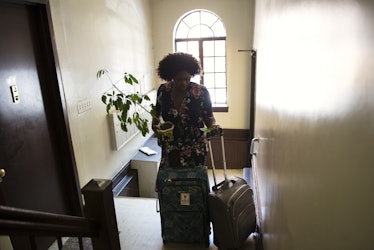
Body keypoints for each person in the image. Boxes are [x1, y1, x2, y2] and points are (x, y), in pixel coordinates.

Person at [152, 52, 220, 168]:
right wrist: (155, 127)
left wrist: (212, 127)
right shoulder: (163, 90)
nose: (183, 83)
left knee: (193, 183)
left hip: (195, 146)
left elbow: (209, 118)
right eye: (179, 79)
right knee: (171, 182)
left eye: (187, 79)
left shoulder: (201, 92)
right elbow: (156, 114)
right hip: (171, 146)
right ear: (171, 76)